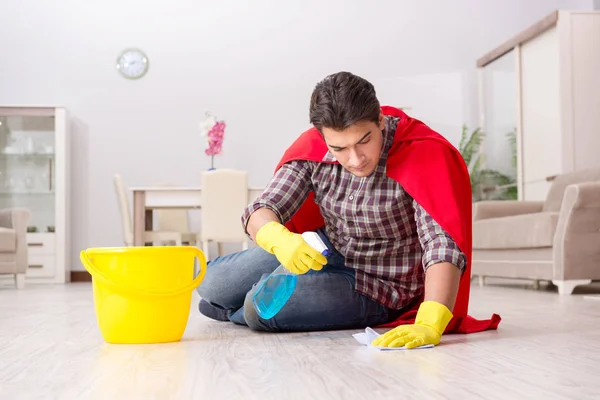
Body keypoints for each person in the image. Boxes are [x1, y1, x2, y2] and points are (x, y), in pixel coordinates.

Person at [197, 71, 500, 348]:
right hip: (326, 252)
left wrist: (431, 319)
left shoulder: (422, 153)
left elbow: (441, 245)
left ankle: (243, 308)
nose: (355, 159)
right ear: (322, 135)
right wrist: (278, 238)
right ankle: (241, 301)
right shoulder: (312, 149)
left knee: (258, 309)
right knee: (211, 283)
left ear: (380, 120)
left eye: (364, 141)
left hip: (379, 284)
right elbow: (262, 208)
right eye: (339, 148)